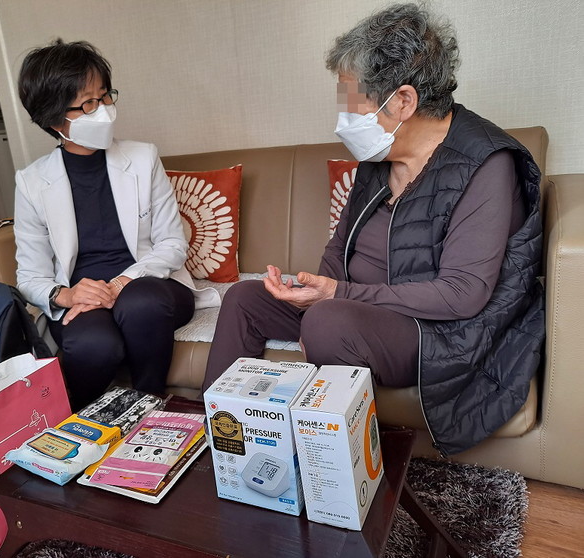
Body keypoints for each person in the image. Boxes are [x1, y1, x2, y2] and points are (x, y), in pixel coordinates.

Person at [202, 3, 544, 455]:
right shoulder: (380, 158)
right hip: (357, 309)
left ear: (403, 101)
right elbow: (341, 245)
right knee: (246, 298)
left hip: (436, 330)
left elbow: (463, 294)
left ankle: (335, 469)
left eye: (352, 100)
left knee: (328, 322)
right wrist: (314, 288)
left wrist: (337, 296)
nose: (343, 117)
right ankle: (219, 440)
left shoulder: (485, 163)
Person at [15, 39, 218, 410]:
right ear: (54, 119)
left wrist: (121, 282)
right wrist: (68, 296)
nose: (105, 110)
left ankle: (150, 407)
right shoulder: (32, 183)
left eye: (105, 96)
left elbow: (172, 244)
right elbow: (30, 276)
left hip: (151, 285)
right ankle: (80, 424)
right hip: (84, 297)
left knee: (140, 304)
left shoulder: (143, 158)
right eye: (88, 104)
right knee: (95, 345)